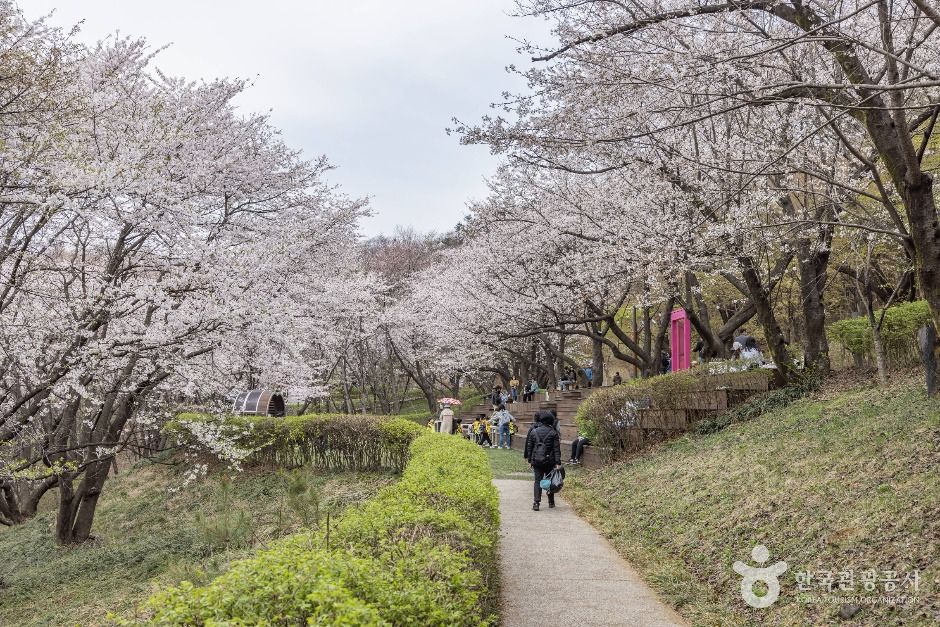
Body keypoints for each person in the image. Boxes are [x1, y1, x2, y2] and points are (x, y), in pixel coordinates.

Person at [524, 410, 562, 511]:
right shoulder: (553, 433)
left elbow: (530, 448)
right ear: (550, 420)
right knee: (550, 480)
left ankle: (536, 503)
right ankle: (551, 502)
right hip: (550, 461)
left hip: (537, 460)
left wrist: (530, 461)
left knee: (537, 481)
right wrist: (558, 463)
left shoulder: (534, 431)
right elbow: (556, 449)